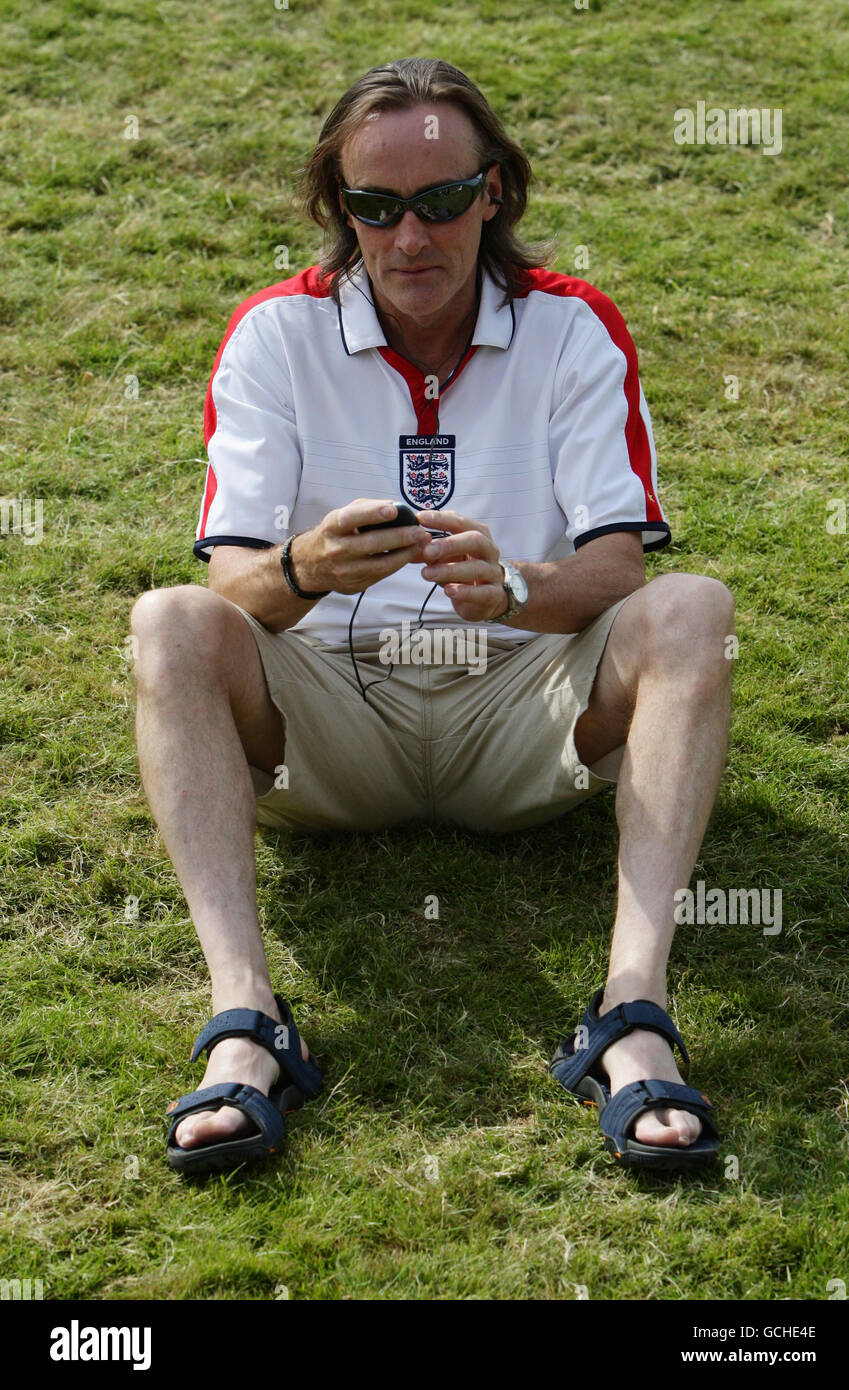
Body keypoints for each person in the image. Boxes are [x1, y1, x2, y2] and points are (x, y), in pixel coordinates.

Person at [130, 57, 733, 1175]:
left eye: (442, 199)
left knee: (696, 610)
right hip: (327, 722)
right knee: (164, 621)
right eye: (375, 206)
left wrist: (515, 589)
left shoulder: (570, 325)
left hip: (520, 705)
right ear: (337, 207)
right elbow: (229, 589)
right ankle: (244, 1023)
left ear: (493, 191)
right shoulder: (273, 332)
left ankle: (632, 1010)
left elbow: (619, 568)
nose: (411, 236)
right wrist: (305, 568)